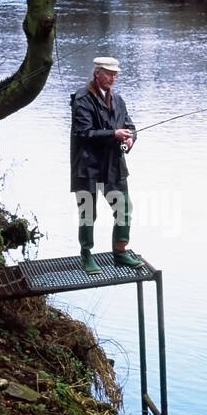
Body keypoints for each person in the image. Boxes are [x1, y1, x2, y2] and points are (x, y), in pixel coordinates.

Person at [69, 56, 142, 275]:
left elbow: (130, 127)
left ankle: (120, 252)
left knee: (124, 209)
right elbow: (84, 133)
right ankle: (86, 254)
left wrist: (130, 139)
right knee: (87, 213)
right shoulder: (81, 99)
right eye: (108, 74)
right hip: (87, 166)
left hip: (114, 165)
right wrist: (115, 134)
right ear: (96, 73)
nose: (112, 78)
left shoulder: (118, 100)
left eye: (115, 74)